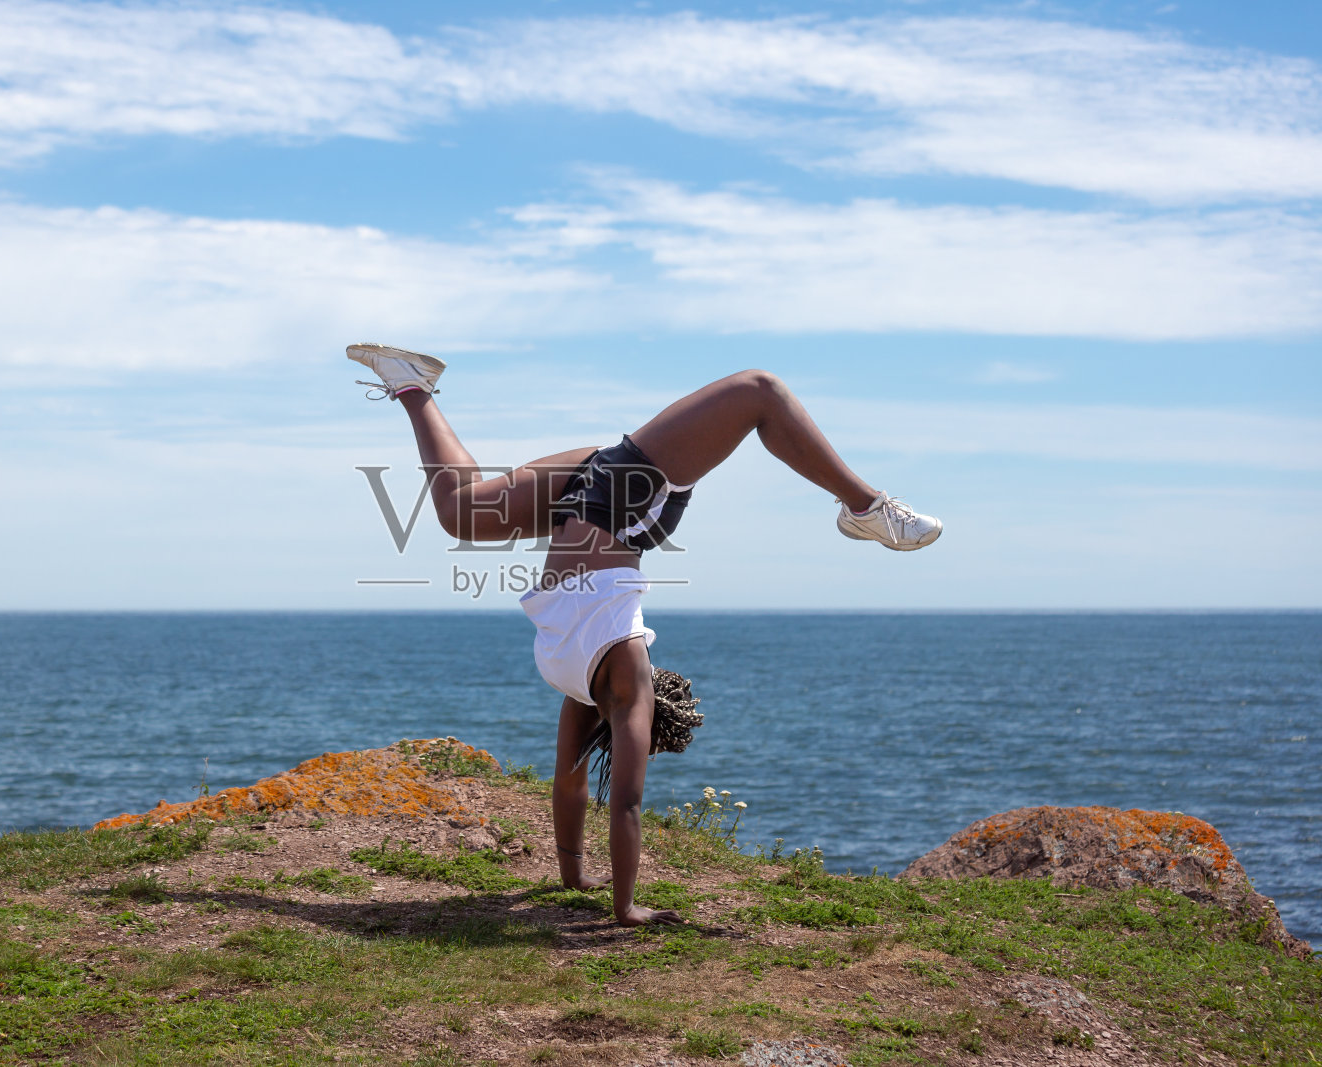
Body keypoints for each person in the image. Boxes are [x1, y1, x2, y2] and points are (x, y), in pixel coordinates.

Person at [347, 343, 941, 926]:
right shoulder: (575, 677)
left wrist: (622, 906)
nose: (658, 679)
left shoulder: (618, 678)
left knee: (758, 390)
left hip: (606, 498)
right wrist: (575, 874)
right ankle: (865, 503)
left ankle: (413, 386)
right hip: (616, 504)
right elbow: (571, 787)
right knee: (757, 394)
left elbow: (623, 802)